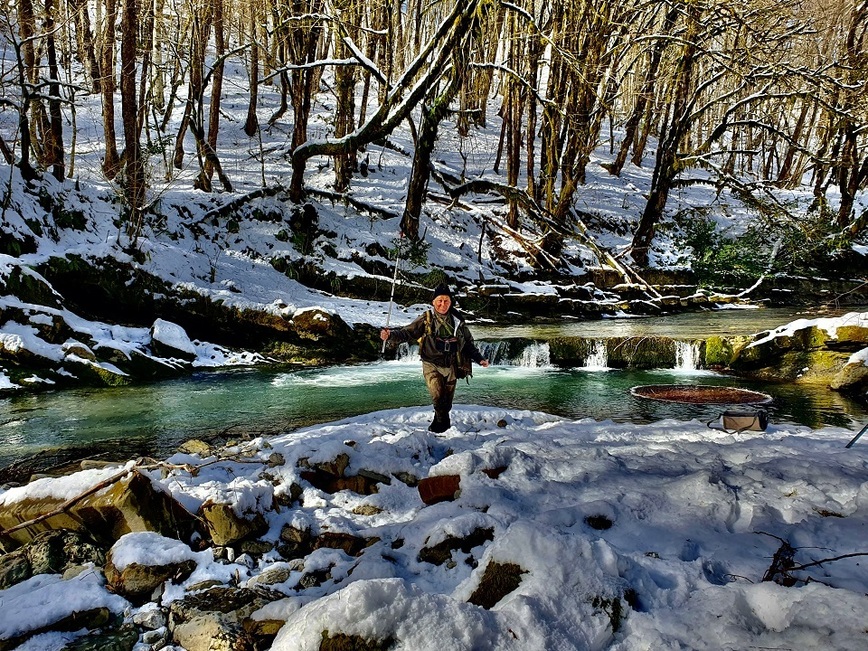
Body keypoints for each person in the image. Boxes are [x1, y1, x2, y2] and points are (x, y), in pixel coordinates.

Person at [380, 283, 489, 432]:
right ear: (433, 302)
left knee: (447, 402)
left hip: (451, 365)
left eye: (446, 301)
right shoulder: (426, 319)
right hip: (431, 364)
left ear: (450, 302)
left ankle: (440, 424)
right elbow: (407, 333)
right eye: (440, 301)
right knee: (438, 397)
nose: (443, 304)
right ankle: (441, 428)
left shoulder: (458, 321)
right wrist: (390, 335)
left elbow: (468, 344)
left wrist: (480, 359)